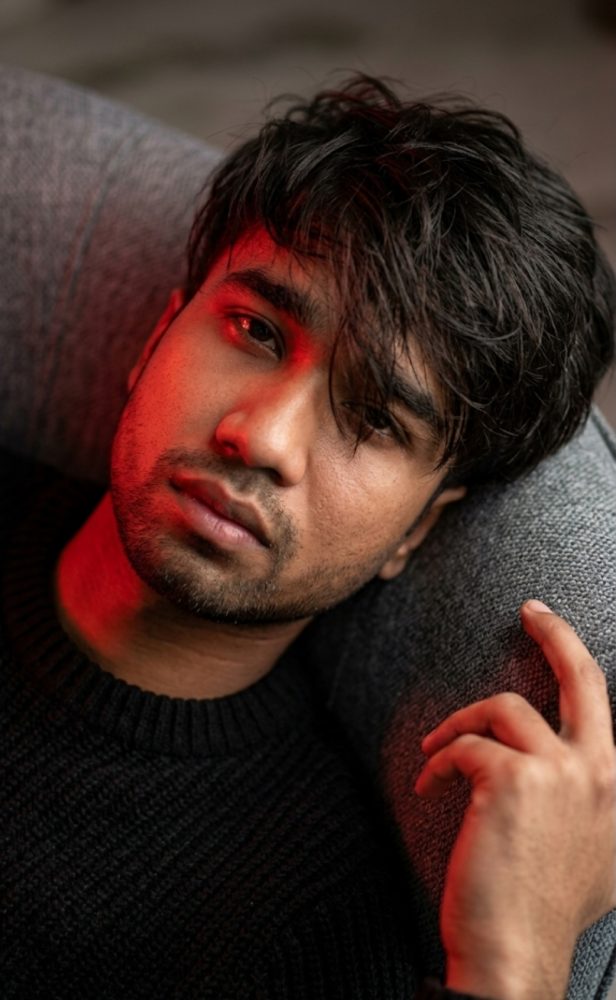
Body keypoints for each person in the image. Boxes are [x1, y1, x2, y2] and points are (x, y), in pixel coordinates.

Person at [0, 73, 614, 998]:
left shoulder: (305, 923)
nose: (262, 437)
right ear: (160, 333)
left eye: (373, 420)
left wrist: (515, 968)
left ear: (418, 528)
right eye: (255, 330)